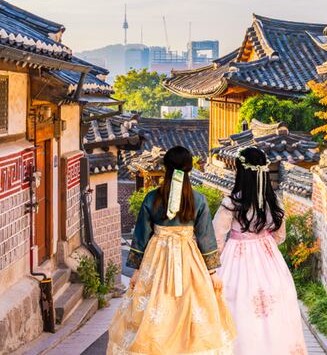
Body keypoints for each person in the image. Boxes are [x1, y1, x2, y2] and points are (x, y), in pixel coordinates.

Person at [107, 146, 235, 355]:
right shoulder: (198, 199)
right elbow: (205, 237)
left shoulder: (152, 198)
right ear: (189, 169)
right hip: (189, 258)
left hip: (157, 257)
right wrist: (211, 273)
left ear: (165, 168)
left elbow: (141, 235)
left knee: (155, 308)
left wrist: (137, 271)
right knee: (190, 307)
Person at [213, 146, 307, 355]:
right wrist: (264, 242)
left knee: (237, 307)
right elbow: (280, 236)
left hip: (236, 258)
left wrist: (211, 266)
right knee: (274, 311)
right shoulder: (273, 201)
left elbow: (217, 238)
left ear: (240, 171)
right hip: (269, 258)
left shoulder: (231, 203)